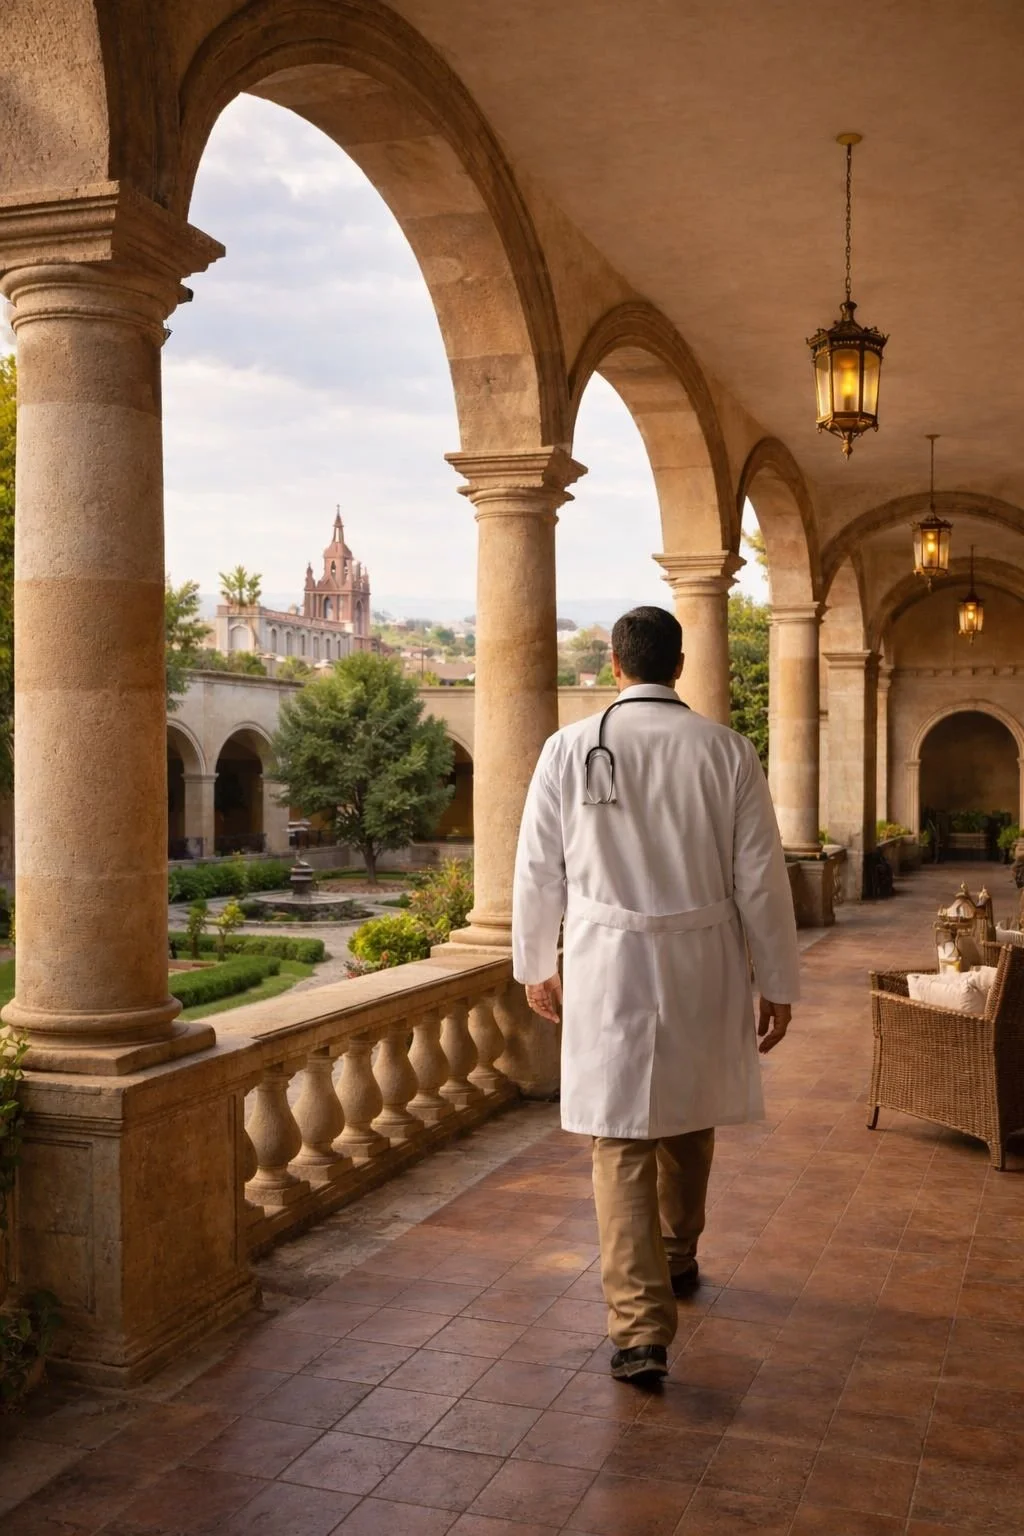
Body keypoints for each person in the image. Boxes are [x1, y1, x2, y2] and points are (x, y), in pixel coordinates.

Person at [512, 605, 800, 1384]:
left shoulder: (569, 747)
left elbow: (539, 868)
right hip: (703, 958)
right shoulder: (728, 751)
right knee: (687, 1111)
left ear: (614, 663)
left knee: (619, 1137)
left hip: (607, 961)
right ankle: (675, 1256)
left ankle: (640, 1329)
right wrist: (776, 980)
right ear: (679, 667)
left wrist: (538, 960)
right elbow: (761, 880)